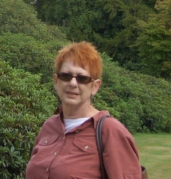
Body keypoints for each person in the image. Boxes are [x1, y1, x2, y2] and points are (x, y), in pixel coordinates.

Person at [25, 41, 142, 179]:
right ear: (56, 81)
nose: (73, 84)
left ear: (95, 86)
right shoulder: (49, 127)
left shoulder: (110, 131)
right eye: (66, 76)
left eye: (82, 78)